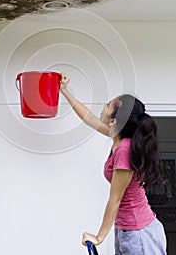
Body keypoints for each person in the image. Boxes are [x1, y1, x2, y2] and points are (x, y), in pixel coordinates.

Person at [60, 74, 167, 255]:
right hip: (127, 230)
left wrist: (99, 237)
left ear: (114, 121)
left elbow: (115, 198)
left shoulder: (124, 149)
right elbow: (90, 119)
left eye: (108, 105)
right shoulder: (118, 138)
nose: (103, 107)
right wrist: (64, 91)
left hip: (139, 234)